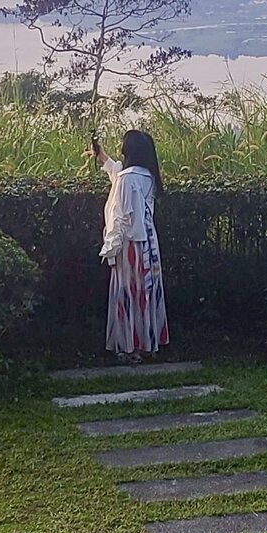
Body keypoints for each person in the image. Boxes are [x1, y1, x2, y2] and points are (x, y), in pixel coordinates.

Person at [92, 129, 170, 362]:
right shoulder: (148, 176)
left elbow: (121, 214)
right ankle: (148, 342)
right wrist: (103, 157)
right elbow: (121, 177)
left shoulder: (128, 179)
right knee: (146, 291)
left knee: (127, 292)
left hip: (130, 245)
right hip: (148, 242)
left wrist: (110, 246)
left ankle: (129, 347)